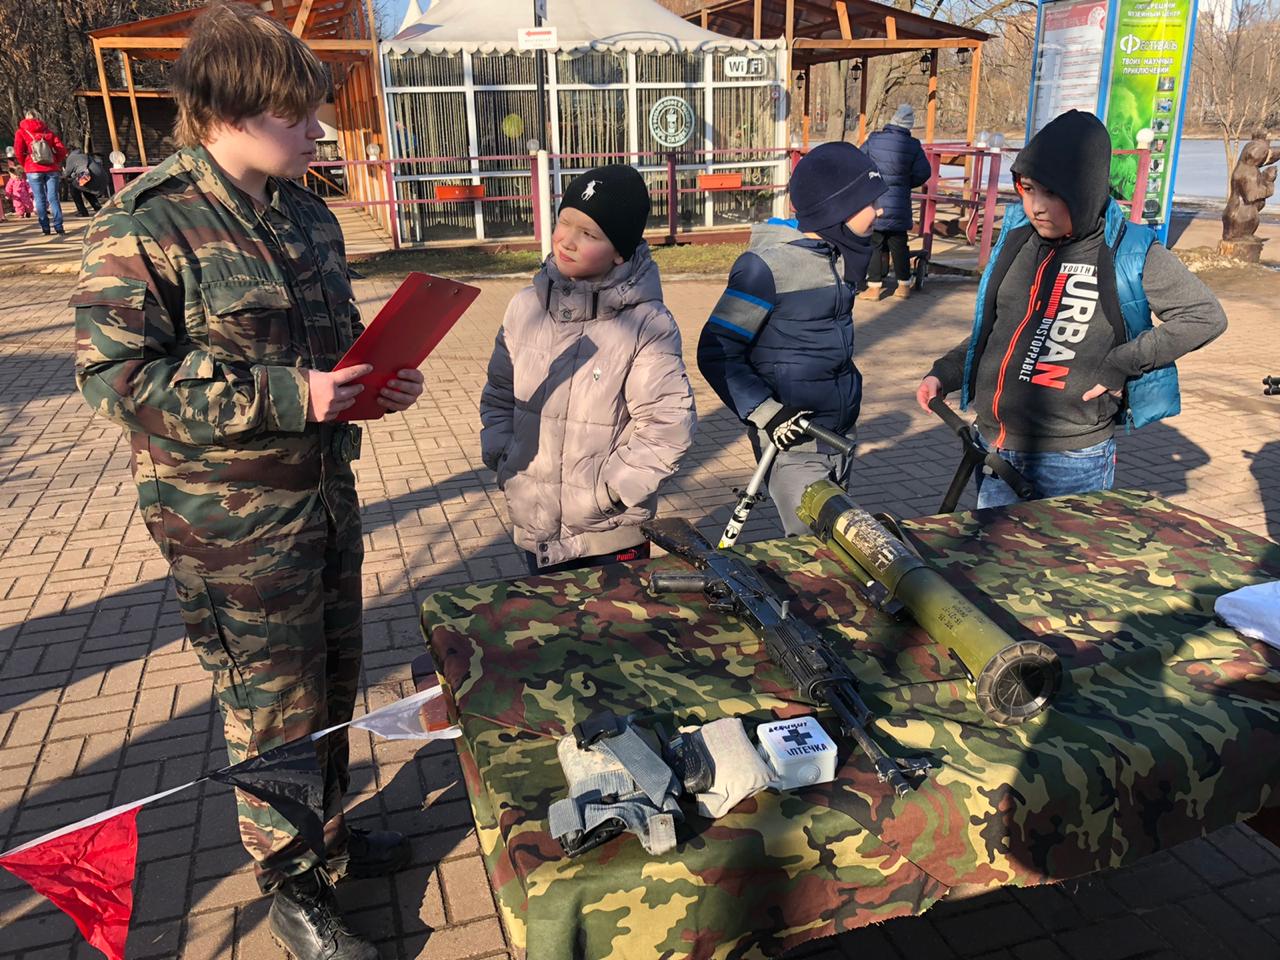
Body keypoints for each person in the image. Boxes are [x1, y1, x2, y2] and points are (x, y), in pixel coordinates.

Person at [72, 4, 425, 958]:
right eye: (296, 113)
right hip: (228, 528)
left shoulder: (306, 215)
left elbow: (328, 352)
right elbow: (116, 381)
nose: (318, 130)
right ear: (229, 111)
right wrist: (292, 395)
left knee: (334, 678)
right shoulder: (147, 224)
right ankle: (292, 883)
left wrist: (371, 383)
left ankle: (329, 838)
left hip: (324, 497)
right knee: (271, 706)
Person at [916, 109, 1227, 509]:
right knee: (994, 551)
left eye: (1052, 193)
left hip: (1070, 460)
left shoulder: (1130, 251)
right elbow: (999, 329)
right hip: (992, 446)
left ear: (1084, 192)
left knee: (1061, 554)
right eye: (1028, 189)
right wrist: (945, 372)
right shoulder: (1018, 241)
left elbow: (1204, 316)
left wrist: (1122, 363)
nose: (1036, 207)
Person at [480, 164, 696, 574]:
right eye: (565, 222)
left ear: (619, 251)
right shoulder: (525, 307)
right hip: (537, 528)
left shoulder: (646, 324)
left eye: (589, 234)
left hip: (609, 535)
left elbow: (667, 424)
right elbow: (499, 395)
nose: (567, 240)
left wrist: (613, 493)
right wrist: (502, 454)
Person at [697, 141, 886, 536]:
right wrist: (768, 413)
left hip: (837, 434)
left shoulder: (835, 256)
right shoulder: (766, 269)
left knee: (832, 546)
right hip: (793, 443)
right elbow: (716, 350)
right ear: (837, 207)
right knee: (820, 549)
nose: (880, 210)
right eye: (870, 201)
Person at [861, 103, 931, 299]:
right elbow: (924, 172)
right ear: (909, 126)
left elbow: (859, 162)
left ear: (892, 121)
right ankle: (903, 286)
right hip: (900, 203)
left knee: (875, 242)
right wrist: (906, 183)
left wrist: (870, 182)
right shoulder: (913, 145)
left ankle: (874, 288)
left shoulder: (874, 139)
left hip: (876, 199)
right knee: (899, 244)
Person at [13, 110, 68, 236]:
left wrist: (25, 163)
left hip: (33, 168)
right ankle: (59, 227)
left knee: (39, 198)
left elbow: (18, 151)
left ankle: (45, 228)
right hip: (51, 168)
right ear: (39, 117)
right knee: (53, 198)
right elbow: (61, 149)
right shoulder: (47, 131)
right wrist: (55, 160)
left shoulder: (21, 132)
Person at [64, 148, 110, 216]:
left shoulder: (71, 157)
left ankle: (82, 212)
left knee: (74, 188)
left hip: (90, 177)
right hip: (103, 178)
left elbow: (67, 173)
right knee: (85, 188)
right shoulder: (85, 156)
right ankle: (98, 208)